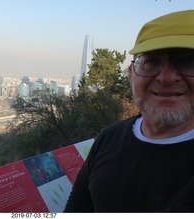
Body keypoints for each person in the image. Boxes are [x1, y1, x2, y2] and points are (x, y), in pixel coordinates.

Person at [64, 10, 194, 212]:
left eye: (189, 61)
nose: (166, 77)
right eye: (152, 61)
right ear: (131, 73)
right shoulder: (108, 139)